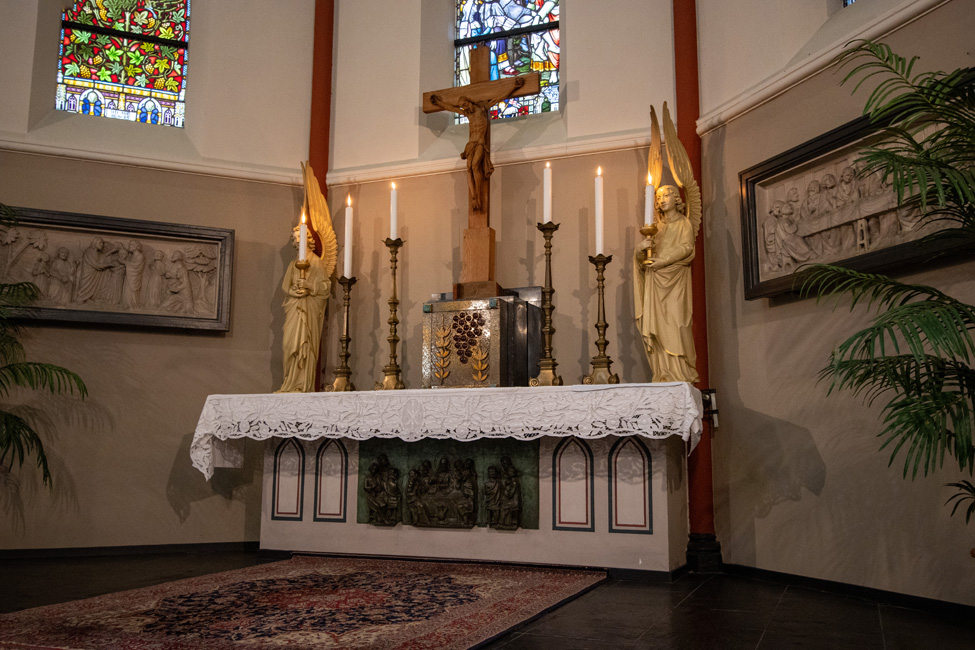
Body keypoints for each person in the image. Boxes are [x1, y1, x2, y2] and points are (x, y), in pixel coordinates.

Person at [634, 185, 699, 383]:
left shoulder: (684, 223)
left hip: (675, 281)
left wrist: (664, 261)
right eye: (659, 197)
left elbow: (687, 248)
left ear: (676, 199)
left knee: (678, 324)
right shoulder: (656, 229)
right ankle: (663, 372)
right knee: (658, 328)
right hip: (655, 282)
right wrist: (639, 250)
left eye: (666, 196)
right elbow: (645, 259)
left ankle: (682, 373)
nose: (662, 200)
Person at [276, 227, 330, 393]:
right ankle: (289, 383)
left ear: (308, 239)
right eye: (295, 238)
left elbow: (326, 287)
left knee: (304, 345)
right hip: (294, 307)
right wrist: (294, 292)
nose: (297, 240)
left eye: (300, 237)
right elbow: (286, 287)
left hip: (309, 311)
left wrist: (309, 286)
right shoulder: (293, 265)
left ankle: (302, 385)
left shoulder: (316, 262)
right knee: (288, 345)